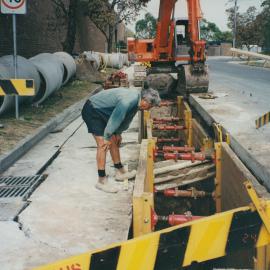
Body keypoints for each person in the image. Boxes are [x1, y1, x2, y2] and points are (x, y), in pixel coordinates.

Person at [82, 86, 161, 193]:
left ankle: (120, 172)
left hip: (103, 111)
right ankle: (101, 181)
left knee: (114, 139)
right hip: (93, 110)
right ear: (145, 100)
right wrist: (106, 137)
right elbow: (116, 117)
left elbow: (127, 119)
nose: (149, 109)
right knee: (103, 145)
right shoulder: (128, 101)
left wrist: (118, 133)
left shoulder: (137, 102)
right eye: (150, 106)